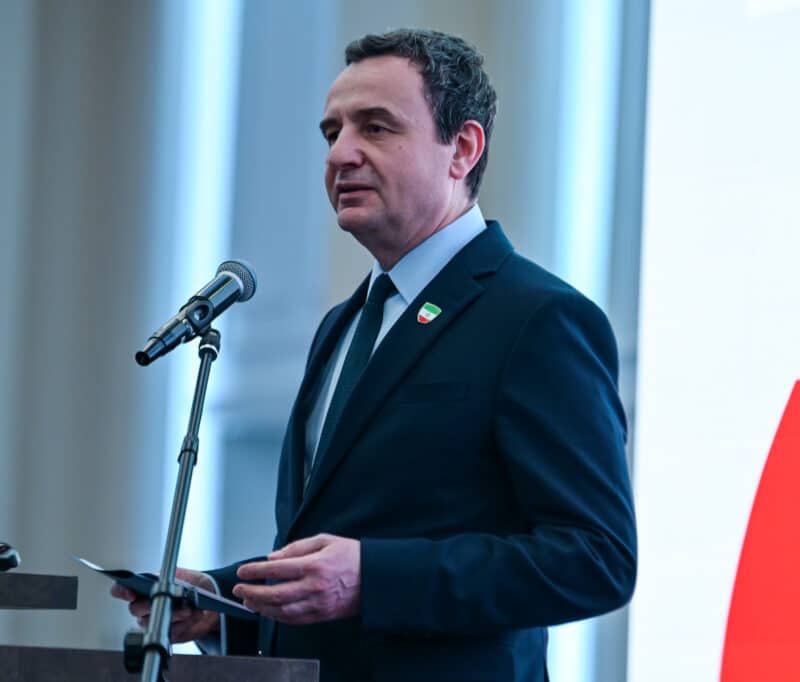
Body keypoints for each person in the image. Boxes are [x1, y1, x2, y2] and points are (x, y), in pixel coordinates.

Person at [113, 28, 637, 682]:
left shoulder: (537, 318)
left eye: (376, 128)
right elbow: (345, 539)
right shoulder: (344, 323)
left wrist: (372, 578)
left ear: (462, 149)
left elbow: (595, 559)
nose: (341, 154)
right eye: (331, 132)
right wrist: (224, 602)